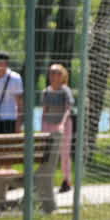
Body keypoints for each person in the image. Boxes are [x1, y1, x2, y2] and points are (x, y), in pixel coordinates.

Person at [40, 63, 75, 193]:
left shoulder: (65, 90)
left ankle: (67, 181)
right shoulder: (46, 91)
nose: (54, 76)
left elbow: (68, 108)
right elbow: (44, 111)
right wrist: (42, 127)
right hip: (49, 124)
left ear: (63, 75)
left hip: (64, 125)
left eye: (58, 73)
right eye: (52, 73)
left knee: (64, 154)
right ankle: (46, 182)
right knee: (48, 155)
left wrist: (62, 123)